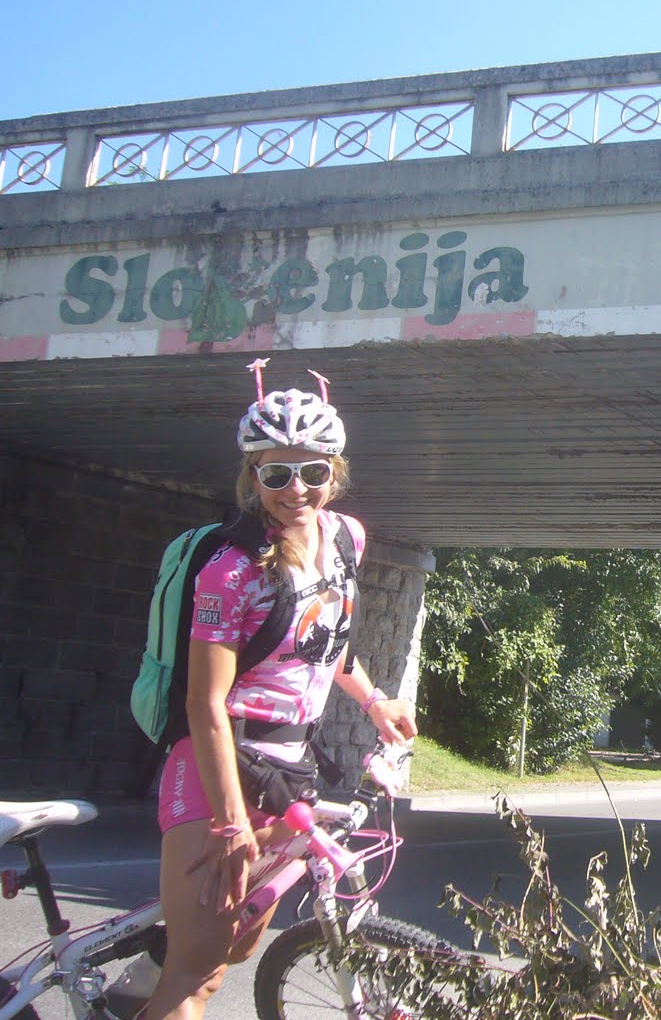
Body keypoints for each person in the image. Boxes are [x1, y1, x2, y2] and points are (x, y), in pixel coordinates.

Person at [134, 363, 417, 1020]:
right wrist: (229, 821)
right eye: (277, 474)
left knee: (229, 953)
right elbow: (204, 704)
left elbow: (326, 638)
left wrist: (374, 700)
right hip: (221, 765)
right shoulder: (231, 571)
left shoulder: (345, 538)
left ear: (334, 474)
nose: (297, 489)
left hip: (290, 769)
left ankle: (136, 987)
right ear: (252, 477)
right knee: (195, 973)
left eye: (313, 472)